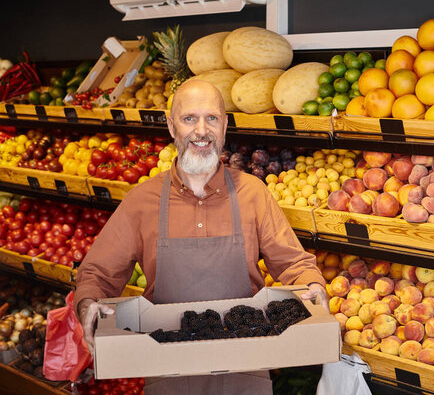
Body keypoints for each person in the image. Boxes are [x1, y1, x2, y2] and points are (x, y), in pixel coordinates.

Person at [74, 79, 328, 395]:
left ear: (224, 125)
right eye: (189, 118)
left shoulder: (253, 194)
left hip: (246, 370)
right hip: (168, 371)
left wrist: (313, 287)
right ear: (171, 126)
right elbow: (98, 273)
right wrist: (87, 303)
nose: (201, 130)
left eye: (212, 118)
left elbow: (293, 264)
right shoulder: (141, 201)